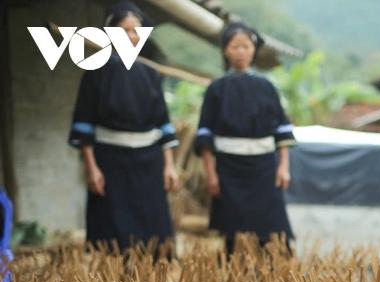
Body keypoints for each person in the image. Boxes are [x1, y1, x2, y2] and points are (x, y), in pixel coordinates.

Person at [68, 1, 178, 252]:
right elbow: (83, 124)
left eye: (136, 30)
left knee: (152, 227)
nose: (131, 36)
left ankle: (151, 281)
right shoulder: (95, 72)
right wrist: (92, 168)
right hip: (110, 160)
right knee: (112, 229)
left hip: (149, 162)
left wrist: (169, 165)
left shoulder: (150, 74)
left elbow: (163, 123)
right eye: (124, 30)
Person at [194, 22, 296, 255]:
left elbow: (281, 130)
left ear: (254, 50)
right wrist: (211, 175)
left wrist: (283, 168)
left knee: (273, 228)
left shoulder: (267, 87)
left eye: (246, 46)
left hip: (265, 169)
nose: (240, 52)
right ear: (225, 50)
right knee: (234, 229)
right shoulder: (216, 89)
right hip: (229, 170)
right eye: (234, 46)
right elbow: (205, 135)